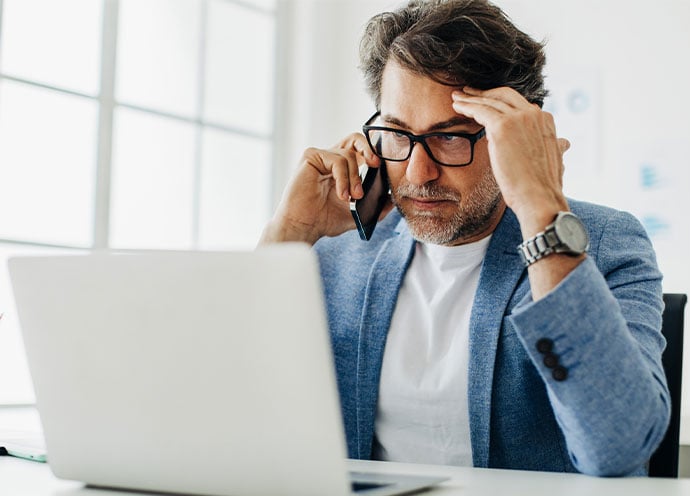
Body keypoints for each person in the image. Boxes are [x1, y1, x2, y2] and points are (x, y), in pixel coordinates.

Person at [259, 0, 668, 477]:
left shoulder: (603, 244)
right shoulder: (337, 251)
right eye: (396, 133)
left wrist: (540, 206)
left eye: (451, 137)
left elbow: (617, 447)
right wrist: (288, 236)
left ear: (516, 133)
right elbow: (230, 410)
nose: (418, 172)